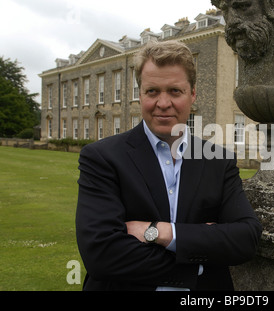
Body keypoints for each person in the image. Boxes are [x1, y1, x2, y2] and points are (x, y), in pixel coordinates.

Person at [75, 40, 262, 291]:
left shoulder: (218, 159)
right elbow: (102, 255)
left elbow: (246, 239)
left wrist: (160, 232)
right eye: (152, 91)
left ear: (193, 94)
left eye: (175, 91)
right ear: (140, 94)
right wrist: (199, 256)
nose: (163, 103)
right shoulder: (102, 157)